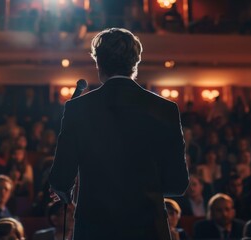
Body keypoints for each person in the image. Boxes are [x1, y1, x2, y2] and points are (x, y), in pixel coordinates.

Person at [49, 28, 189, 240]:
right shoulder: (164, 109)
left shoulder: (78, 108)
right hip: (148, 229)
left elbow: (60, 180)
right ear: (136, 62)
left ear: (99, 63)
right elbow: (177, 184)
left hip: (95, 229)